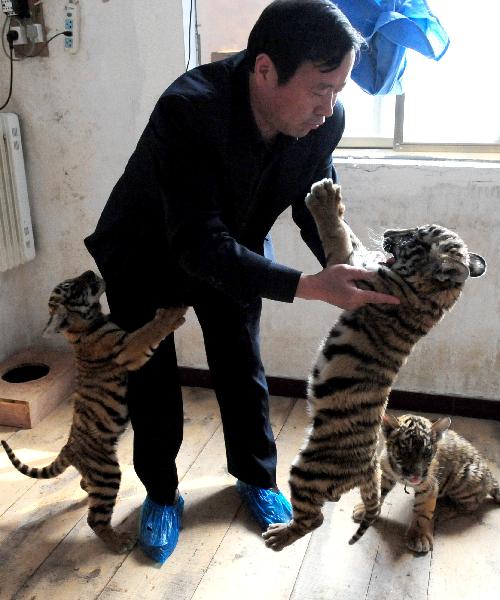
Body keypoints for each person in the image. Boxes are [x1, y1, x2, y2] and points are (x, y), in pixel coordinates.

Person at [84, 0, 399, 564]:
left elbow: (314, 201)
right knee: (152, 383)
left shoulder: (323, 120)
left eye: (340, 90)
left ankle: (256, 479)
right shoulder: (190, 110)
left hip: (235, 248)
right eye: (320, 89)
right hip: (146, 253)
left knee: (240, 364)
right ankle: (160, 493)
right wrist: (310, 285)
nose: (329, 109)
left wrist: (343, 262)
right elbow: (197, 242)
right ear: (264, 69)